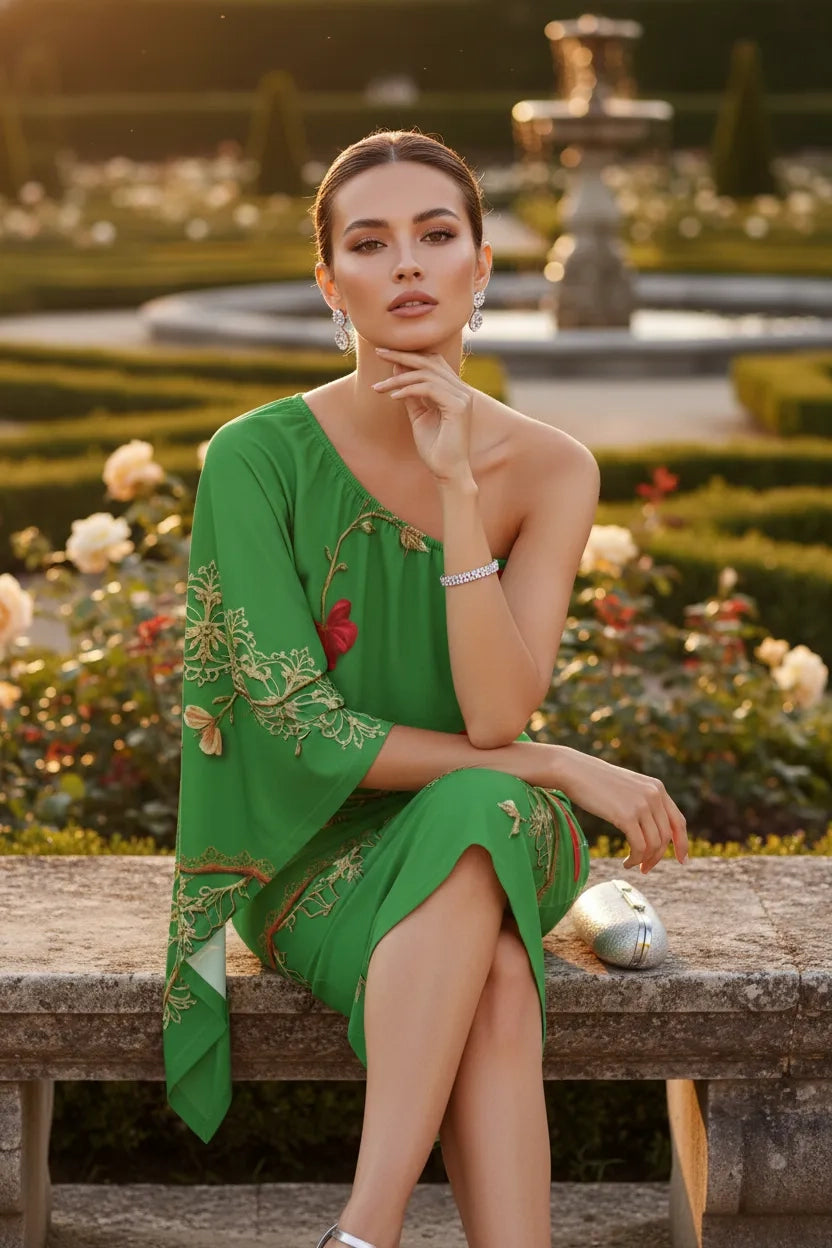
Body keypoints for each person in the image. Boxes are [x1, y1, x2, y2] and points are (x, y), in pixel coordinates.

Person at [162, 127, 689, 1248]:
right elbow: (301, 731)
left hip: (487, 820)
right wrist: (553, 762)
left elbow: (493, 710)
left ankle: (365, 1232)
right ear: (330, 283)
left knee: (478, 808)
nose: (405, 264)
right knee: (499, 971)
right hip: (305, 850)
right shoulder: (252, 457)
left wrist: (457, 486)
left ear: (481, 264)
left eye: (435, 235)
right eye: (370, 242)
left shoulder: (549, 469)